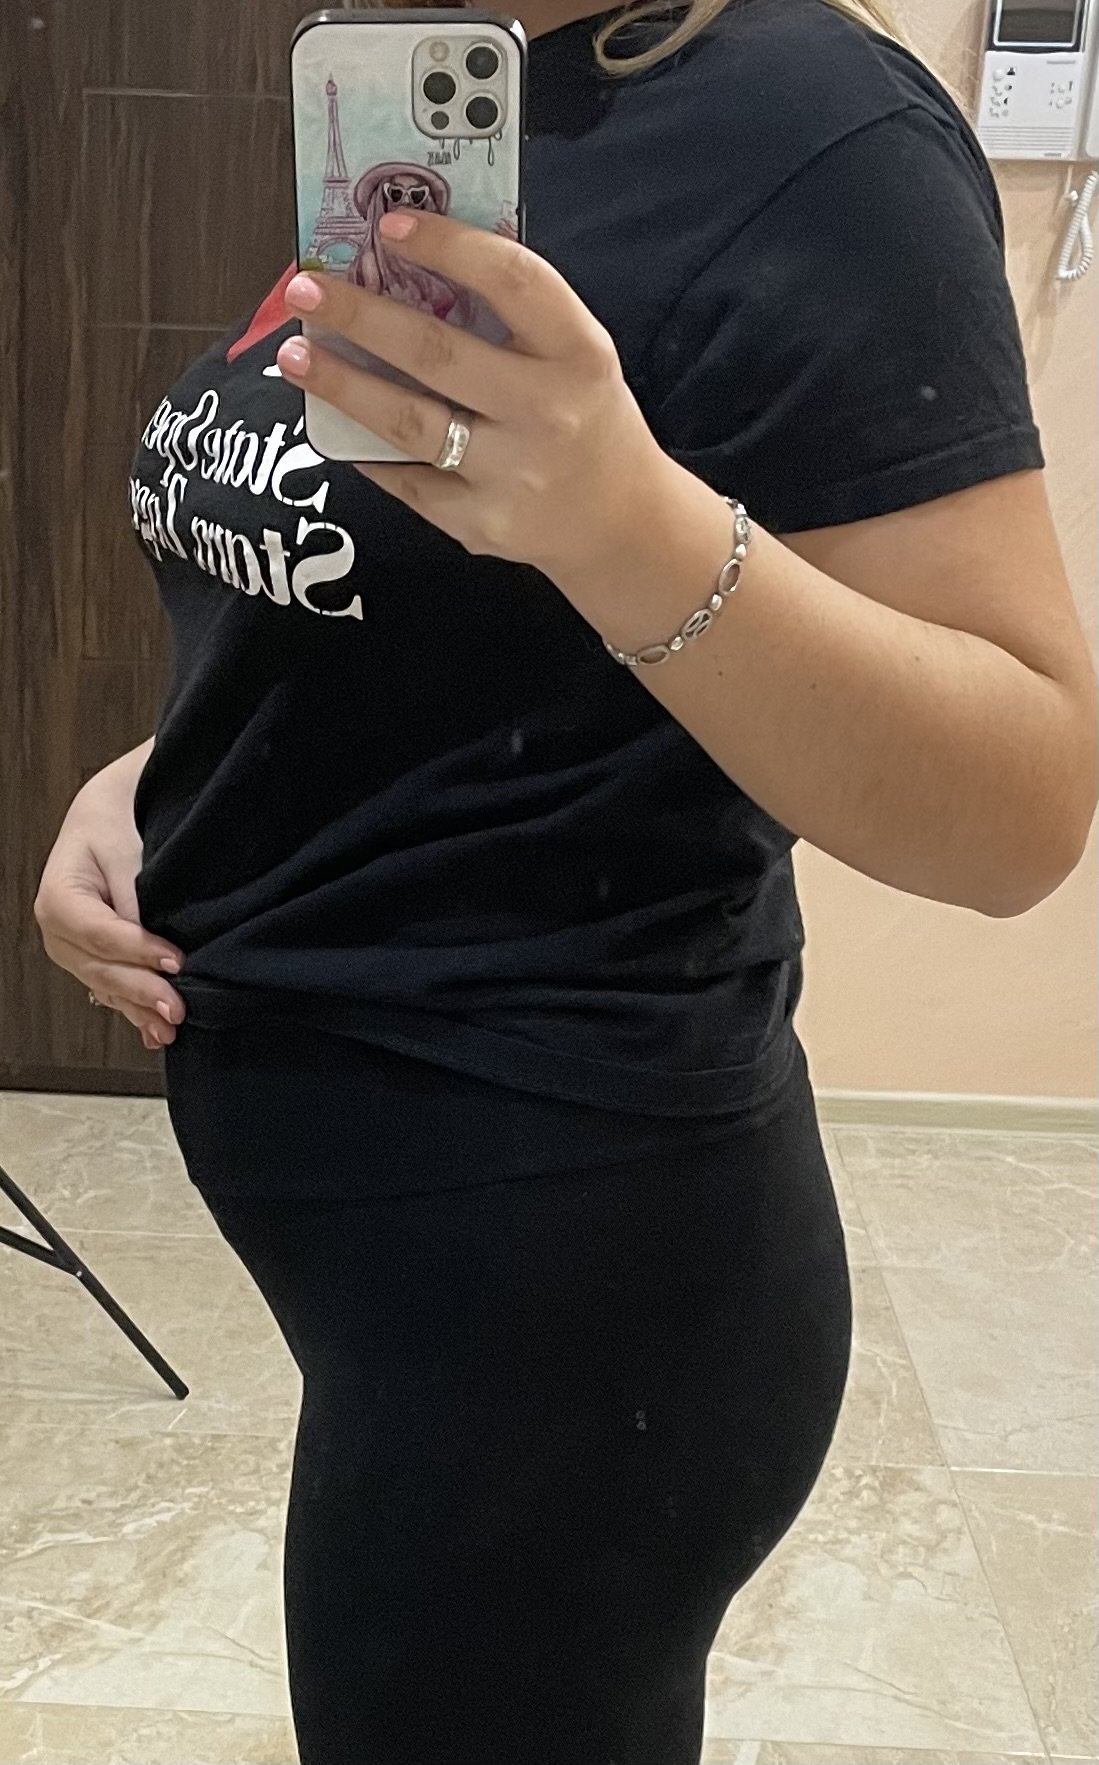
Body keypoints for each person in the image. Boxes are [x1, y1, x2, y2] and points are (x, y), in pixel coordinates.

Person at [34, 0, 1097, 1757]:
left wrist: (621, 514)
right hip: (418, 1284)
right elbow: (410, 616)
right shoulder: (442, 95)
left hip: (572, 1287)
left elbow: (1023, 802)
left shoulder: (817, 133)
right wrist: (155, 780)